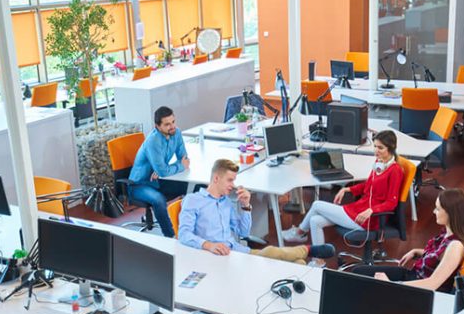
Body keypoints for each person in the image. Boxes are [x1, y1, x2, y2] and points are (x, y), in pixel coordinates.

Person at [179, 159, 335, 264]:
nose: (233, 185)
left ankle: (306, 252)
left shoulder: (225, 201)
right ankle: (308, 250)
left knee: (297, 262)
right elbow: (184, 234)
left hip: (237, 252)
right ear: (216, 179)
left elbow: (243, 232)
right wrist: (209, 245)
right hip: (215, 256)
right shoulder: (193, 200)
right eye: (230, 180)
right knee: (274, 253)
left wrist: (246, 206)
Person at [282, 130, 403, 245]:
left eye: (380, 148)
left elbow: (391, 203)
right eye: (375, 146)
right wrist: (347, 189)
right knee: (315, 221)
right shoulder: (379, 162)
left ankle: (299, 233)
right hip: (359, 208)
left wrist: (372, 210)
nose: (376, 151)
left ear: (391, 148)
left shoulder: (395, 171)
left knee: (317, 205)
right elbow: (368, 185)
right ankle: (318, 257)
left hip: (369, 219)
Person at [350, 188, 464, 292]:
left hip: (418, 289)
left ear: (451, 213)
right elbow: (440, 256)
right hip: (413, 276)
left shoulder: (455, 247)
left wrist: (390, 284)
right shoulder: (448, 234)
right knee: (358, 273)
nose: (434, 212)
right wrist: (417, 251)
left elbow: (432, 284)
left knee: (360, 281)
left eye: (438, 209)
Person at [128, 106, 189, 238]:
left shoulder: (176, 132)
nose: (172, 126)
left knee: (192, 187)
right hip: (138, 184)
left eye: (173, 122)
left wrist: (164, 169)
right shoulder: (153, 141)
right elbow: (170, 168)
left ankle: (190, 228)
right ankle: (171, 237)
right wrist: (164, 170)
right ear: (157, 126)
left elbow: (184, 159)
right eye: (167, 124)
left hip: (157, 180)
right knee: (159, 200)